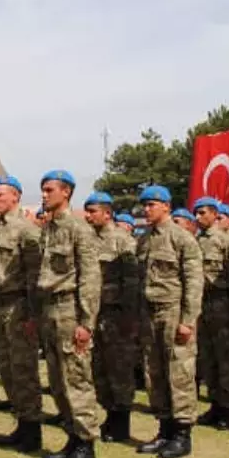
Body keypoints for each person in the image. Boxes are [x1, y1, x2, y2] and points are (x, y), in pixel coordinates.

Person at [34, 170, 102, 458]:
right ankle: (72, 439)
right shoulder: (48, 229)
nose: (45, 195)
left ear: (67, 192)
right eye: (43, 190)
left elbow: (90, 277)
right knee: (58, 381)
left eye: (50, 190)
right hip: (49, 310)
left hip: (70, 310)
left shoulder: (79, 229)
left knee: (76, 379)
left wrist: (86, 323)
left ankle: (86, 446)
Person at [133, 184, 203, 458]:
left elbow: (194, 283)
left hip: (174, 312)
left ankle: (182, 434)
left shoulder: (182, 239)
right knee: (154, 372)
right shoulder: (144, 239)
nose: (146, 209)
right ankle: (164, 429)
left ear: (166, 206)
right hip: (150, 313)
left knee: (180, 373)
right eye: (144, 205)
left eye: (151, 205)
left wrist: (188, 320)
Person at [0, 176, 44, 451]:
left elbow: (35, 277)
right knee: (7, 369)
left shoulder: (26, 230)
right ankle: (21, 424)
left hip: (19, 305)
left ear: (15, 197)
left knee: (24, 370)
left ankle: (32, 430)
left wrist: (33, 314)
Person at [84, 190, 139, 443]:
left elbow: (132, 282)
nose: (88, 216)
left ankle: (121, 421)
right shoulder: (85, 240)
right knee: (99, 369)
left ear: (107, 213)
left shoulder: (122, 241)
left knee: (120, 368)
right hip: (94, 314)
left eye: (92, 211)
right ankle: (110, 413)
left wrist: (129, 316)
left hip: (116, 314)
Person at [192, 196, 229, 431]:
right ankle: (214, 405)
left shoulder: (227, 241)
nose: (198, 217)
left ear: (215, 214)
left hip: (223, 305)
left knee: (226, 361)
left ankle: (227, 411)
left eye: (203, 212)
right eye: (195, 213)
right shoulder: (194, 240)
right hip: (201, 306)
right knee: (208, 360)